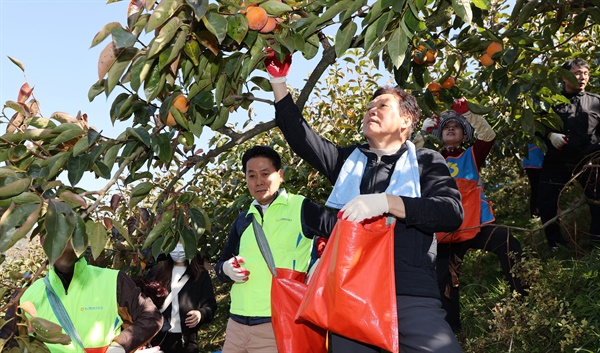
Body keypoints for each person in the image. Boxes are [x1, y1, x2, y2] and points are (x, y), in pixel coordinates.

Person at [266, 52, 464, 353]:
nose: (372, 110)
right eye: (369, 107)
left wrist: (388, 202)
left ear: (407, 119)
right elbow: (300, 136)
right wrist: (278, 82)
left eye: (382, 105)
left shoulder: (425, 162)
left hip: (409, 294)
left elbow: (451, 212)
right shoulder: (348, 162)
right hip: (352, 295)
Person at [214, 145, 336, 353]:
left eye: (265, 173)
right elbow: (220, 268)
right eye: (251, 175)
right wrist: (226, 268)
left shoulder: (300, 207)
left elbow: (340, 232)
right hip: (236, 326)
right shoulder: (244, 219)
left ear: (280, 175)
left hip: (276, 325)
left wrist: (319, 269)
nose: (258, 181)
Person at [423, 100, 527, 333]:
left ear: (464, 134)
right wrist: (421, 132)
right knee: (445, 280)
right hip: (445, 230)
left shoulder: (471, 155)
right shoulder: (430, 159)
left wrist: (469, 113)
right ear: (439, 135)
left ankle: (524, 298)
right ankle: (452, 333)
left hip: (474, 225)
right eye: (446, 126)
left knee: (508, 241)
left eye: (456, 126)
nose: (451, 128)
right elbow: (408, 157)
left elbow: (488, 136)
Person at [2, 236, 163, 353]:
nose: (63, 245)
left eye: (71, 236)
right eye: (55, 236)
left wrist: (120, 346)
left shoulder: (112, 280)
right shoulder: (27, 294)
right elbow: (8, 342)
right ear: (43, 242)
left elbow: (151, 317)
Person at [538, 58, 600, 249]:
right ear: (564, 77)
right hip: (558, 161)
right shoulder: (551, 102)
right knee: (547, 201)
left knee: (598, 199)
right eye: (577, 73)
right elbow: (536, 126)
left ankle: (596, 242)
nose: (582, 77)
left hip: (589, 160)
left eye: (585, 73)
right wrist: (549, 134)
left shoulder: (596, 101)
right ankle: (556, 245)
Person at [146, 241, 217, 353]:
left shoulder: (200, 274)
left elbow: (210, 305)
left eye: (182, 245)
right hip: (159, 339)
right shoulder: (156, 273)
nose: (178, 251)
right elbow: (144, 303)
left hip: (187, 341)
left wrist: (201, 314)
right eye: (174, 246)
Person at [522, 143, 544, 217]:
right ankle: (536, 211)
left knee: (535, 188)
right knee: (538, 187)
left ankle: (535, 211)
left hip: (531, 160)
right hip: (535, 160)